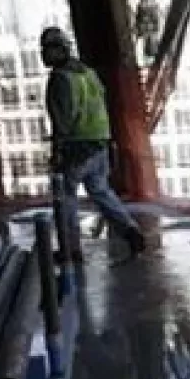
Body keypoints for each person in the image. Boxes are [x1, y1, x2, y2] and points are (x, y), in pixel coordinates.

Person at [40, 26, 146, 261]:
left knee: (66, 195)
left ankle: (70, 249)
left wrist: (58, 151)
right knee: (101, 191)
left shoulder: (60, 78)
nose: (44, 55)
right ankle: (130, 229)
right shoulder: (88, 73)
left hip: (76, 146)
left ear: (60, 50)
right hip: (100, 143)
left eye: (48, 49)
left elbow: (63, 119)